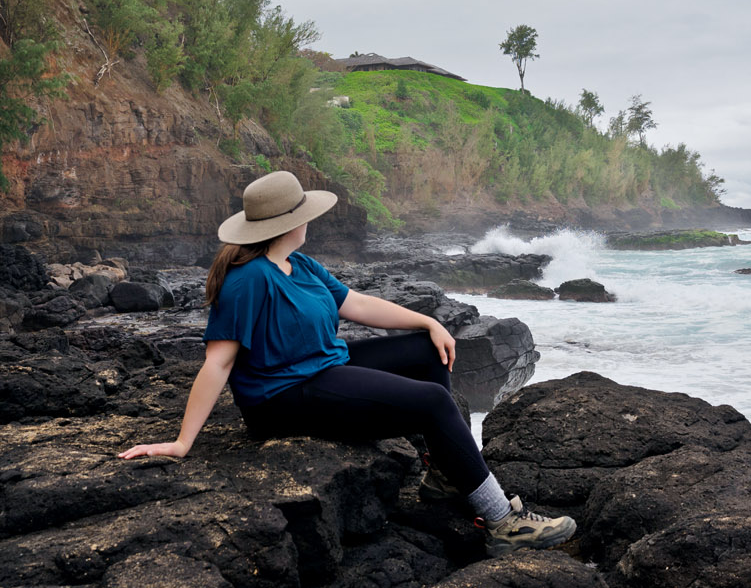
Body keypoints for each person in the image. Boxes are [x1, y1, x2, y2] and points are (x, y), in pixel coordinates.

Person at [118, 170, 575, 556]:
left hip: (321, 368)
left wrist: (429, 322)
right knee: (434, 401)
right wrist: (181, 443)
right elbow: (217, 364)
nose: (310, 219)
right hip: (282, 398)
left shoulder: (300, 264)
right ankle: (501, 520)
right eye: (303, 214)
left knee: (424, 350)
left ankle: (445, 474)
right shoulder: (248, 280)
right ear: (287, 223)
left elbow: (357, 304)